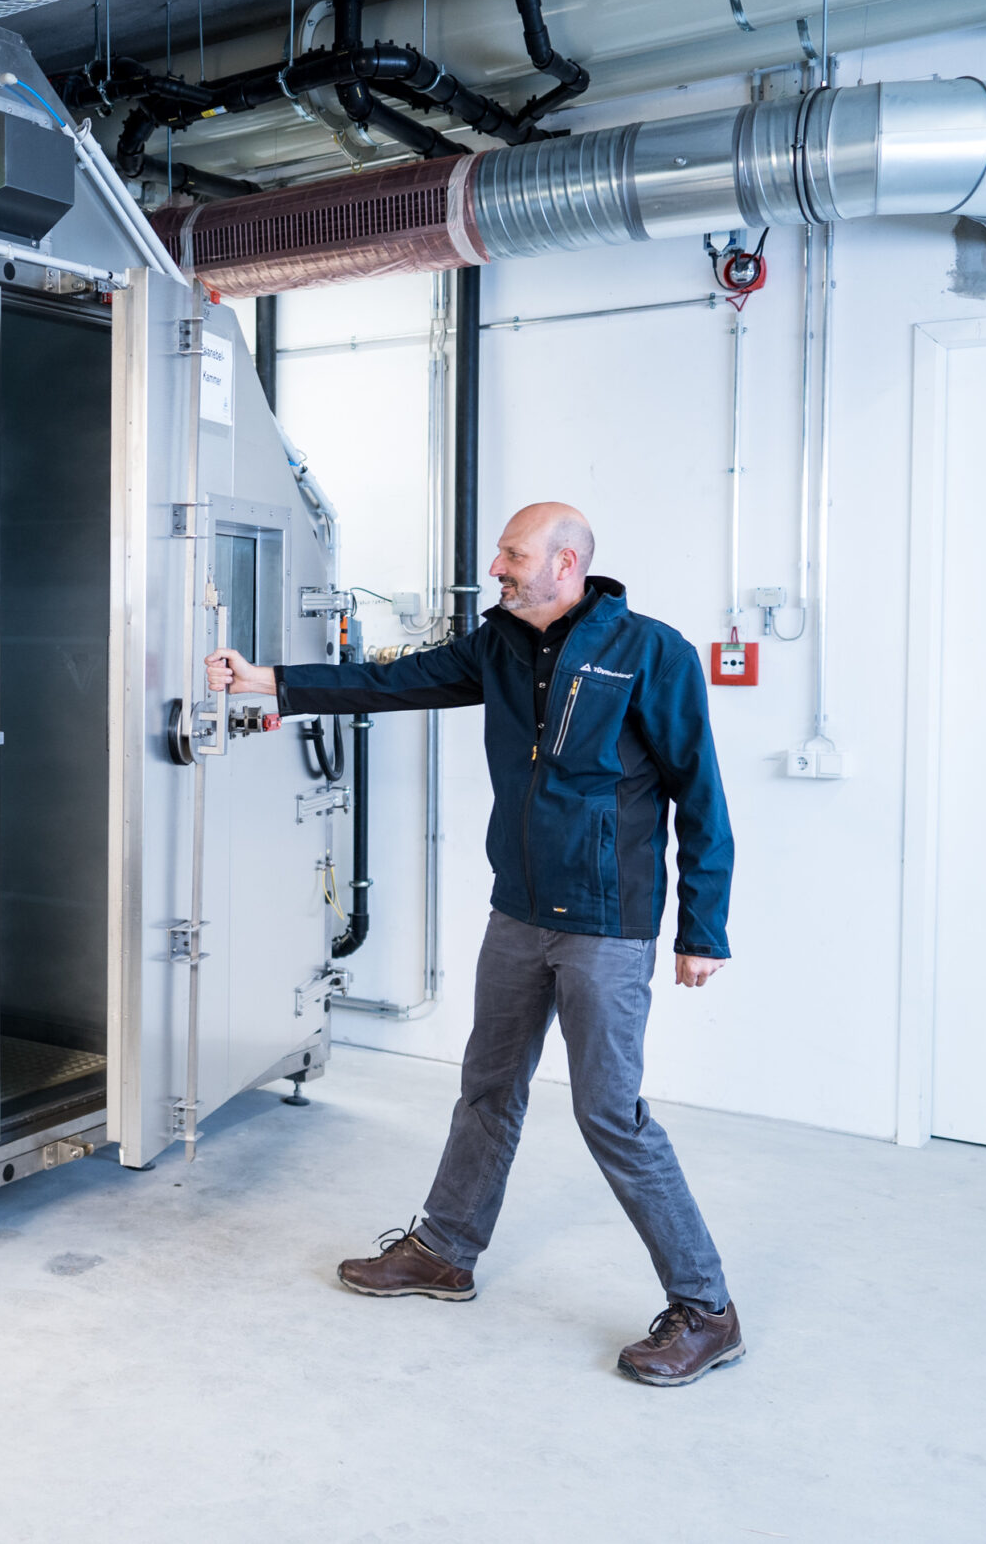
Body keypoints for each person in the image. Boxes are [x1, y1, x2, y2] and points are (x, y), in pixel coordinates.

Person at [206, 502, 743, 1387]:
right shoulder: (499, 645)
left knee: (610, 1113)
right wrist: (267, 681)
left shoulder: (653, 652)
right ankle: (445, 1252)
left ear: (565, 564)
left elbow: (702, 795)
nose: (496, 566)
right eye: (500, 551)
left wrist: (702, 928)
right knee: (488, 1088)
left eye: (513, 554)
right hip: (518, 911)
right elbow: (393, 683)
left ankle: (706, 1308)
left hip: (608, 922)